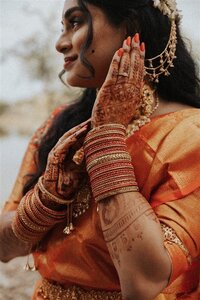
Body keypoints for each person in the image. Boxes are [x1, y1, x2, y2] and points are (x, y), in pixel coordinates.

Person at [0, 0, 200, 299]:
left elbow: (142, 283)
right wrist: (47, 198)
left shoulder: (189, 134)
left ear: (132, 29)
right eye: (62, 27)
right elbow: (5, 249)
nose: (59, 43)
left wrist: (107, 138)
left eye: (76, 22)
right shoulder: (60, 126)